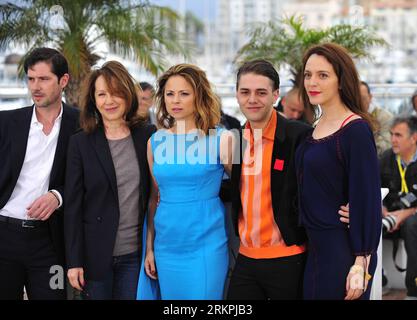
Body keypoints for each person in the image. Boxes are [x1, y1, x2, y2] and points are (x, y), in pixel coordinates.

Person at [138, 63, 233, 300]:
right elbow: (153, 199)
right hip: (166, 245)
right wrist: (149, 249)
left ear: (198, 96)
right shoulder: (155, 142)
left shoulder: (223, 138)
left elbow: (247, 188)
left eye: (184, 93)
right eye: (170, 94)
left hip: (206, 244)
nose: (175, 101)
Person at [296, 43, 382, 300]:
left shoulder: (355, 130)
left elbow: (367, 196)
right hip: (316, 248)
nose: (313, 82)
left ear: (341, 81)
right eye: (308, 74)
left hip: (344, 252)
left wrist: (361, 263)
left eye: (323, 75)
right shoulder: (315, 126)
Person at [64, 61, 155, 300]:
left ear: (127, 94)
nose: (109, 101)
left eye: (116, 93)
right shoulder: (80, 143)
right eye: (102, 94)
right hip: (94, 258)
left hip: (135, 256)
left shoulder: (147, 135)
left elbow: (157, 193)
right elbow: (72, 207)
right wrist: (74, 261)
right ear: (93, 99)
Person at [227, 59, 312, 300]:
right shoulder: (236, 139)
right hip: (245, 258)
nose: (252, 99)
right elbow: (235, 189)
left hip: (288, 258)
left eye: (261, 92)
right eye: (245, 92)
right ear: (236, 95)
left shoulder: (299, 135)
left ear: (275, 95)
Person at [0, 47, 79, 300]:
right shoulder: (6, 122)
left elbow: (88, 179)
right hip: (4, 237)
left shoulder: (80, 126)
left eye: (44, 79)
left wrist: (58, 196)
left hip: (50, 243)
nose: (35, 86)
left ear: (63, 81)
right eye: (31, 79)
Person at [380, 115, 417, 300]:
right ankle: (380, 279)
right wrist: (383, 210)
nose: (393, 139)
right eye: (391, 134)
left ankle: (413, 289)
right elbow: (372, 189)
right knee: (363, 219)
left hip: (412, 218)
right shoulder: (386, 158)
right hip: (391, 214)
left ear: (414, 138)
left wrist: (406, 213)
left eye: (398, 135)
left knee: (412, 223)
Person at [359, 81, 393, 156]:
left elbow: (388, 146)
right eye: (354, 99)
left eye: (362, 98)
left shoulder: (385, 117)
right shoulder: (347, 117)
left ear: (370, 97)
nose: (358, 102)